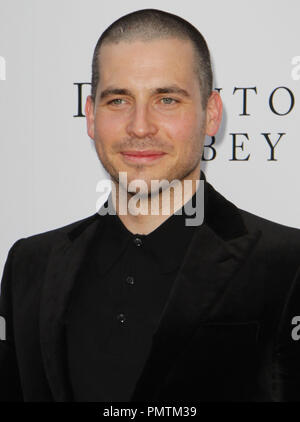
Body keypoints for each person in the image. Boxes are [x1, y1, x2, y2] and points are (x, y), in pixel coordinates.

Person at [1, 8, 300, 402]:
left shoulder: (288, 263)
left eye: (167, 99)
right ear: (90, 116)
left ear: (211, 114)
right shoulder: (29, 265)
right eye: (119, 100)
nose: (140, 127)